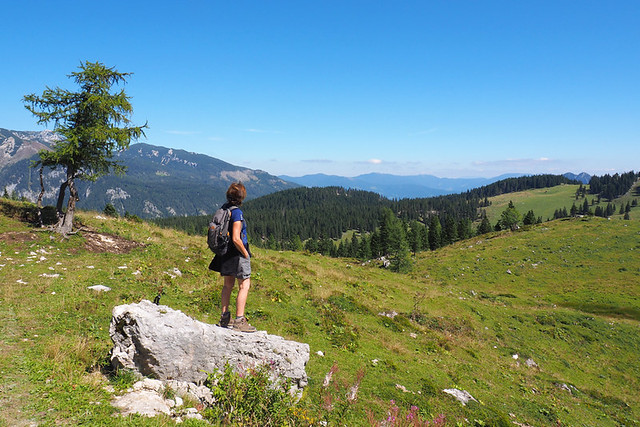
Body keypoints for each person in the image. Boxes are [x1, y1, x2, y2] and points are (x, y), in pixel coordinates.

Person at [209, 182, 256, 333]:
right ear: (242, 197)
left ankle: (224, 317)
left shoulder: (224, 208)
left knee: (227, 285)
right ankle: (239, 320)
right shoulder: (236, 213)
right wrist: (246, 253)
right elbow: (236, 238)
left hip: (225, 253)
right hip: (236, 253)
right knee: (244, 285)